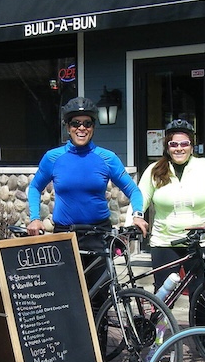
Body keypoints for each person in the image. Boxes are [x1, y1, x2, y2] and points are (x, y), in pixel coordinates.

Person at [27, 97, 148, 295]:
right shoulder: (53, 157)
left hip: (98, 235)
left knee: (100, 298)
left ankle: (100, 327)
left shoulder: (106, 158)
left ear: (93, 127)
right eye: (75, 123)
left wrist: (138, 214)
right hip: (65, 235)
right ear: (68, 127)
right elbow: (34, 188)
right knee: (67, 298)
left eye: (87, 123)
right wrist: (34, 218)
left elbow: (133, 190)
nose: (81, 128)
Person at [137, 119, 205, 357]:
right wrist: (136, 216)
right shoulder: (155, 170)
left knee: (201, 293)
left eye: (184, 143)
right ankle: (158, 343)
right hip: (164, 240)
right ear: (167, 146)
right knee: (163, 294)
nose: (179, 148)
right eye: (173, 144)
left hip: (199, 240)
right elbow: (140, 198)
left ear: (192, 145)